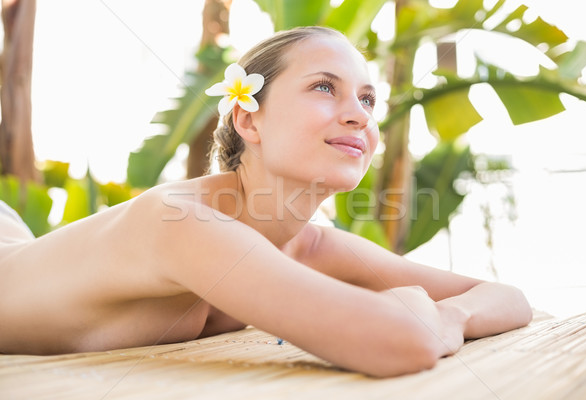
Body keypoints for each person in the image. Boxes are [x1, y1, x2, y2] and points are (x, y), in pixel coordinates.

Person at [0, 26, 532, 378]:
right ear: (248, 118)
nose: (360, 116)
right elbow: (401, 340)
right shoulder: (183, 222)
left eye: (367, 98)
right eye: (325, 88)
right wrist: (423, 312)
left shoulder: (310, 244)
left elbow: (508, 297)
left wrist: (450, 313)